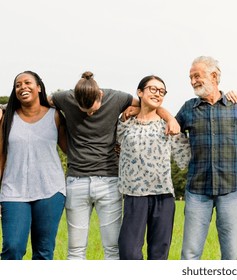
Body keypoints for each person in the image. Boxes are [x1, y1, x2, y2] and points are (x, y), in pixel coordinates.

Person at [50, 71, 178, 260]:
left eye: (94, 109)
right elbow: (38, 102)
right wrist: (4, 107)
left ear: (100, 95)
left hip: (108, 180)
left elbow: (151, 104)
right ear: (74, 99)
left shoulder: (117, 98)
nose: (91, 114)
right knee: (75, 250)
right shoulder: (65, 97)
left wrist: (169, 118)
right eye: (85, 111)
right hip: (76, 180)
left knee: (113, 249)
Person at [176, 56, 237, 260]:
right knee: (190, 253)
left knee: (231, 254)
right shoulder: (188, 108)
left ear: (214, 76)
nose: (193, 81)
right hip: (197, 190)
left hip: (231, 189)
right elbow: (169, 130)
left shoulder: (236, 105)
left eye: (197, 76)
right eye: (190, 77)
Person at [116, 75, 190, 260]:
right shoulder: (125, 123)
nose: (157, 93)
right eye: (153, 89)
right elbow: (114, 149)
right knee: (129, 252)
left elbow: (187, 160)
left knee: (159, 254)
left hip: (163, 195)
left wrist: (170, 117)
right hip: (134, 195)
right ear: (140, 92)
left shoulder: (169, 125)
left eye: (162, 91)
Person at [0, 71, 67, 260]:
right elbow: (1, 156)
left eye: (27, 83)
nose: (23, 87)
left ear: (39, 87)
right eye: (18, 85)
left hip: (50, 190)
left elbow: (71, 150)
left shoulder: (55, 116)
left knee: (44, 251)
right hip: (13, 191)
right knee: (12, 248)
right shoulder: (7, 118)